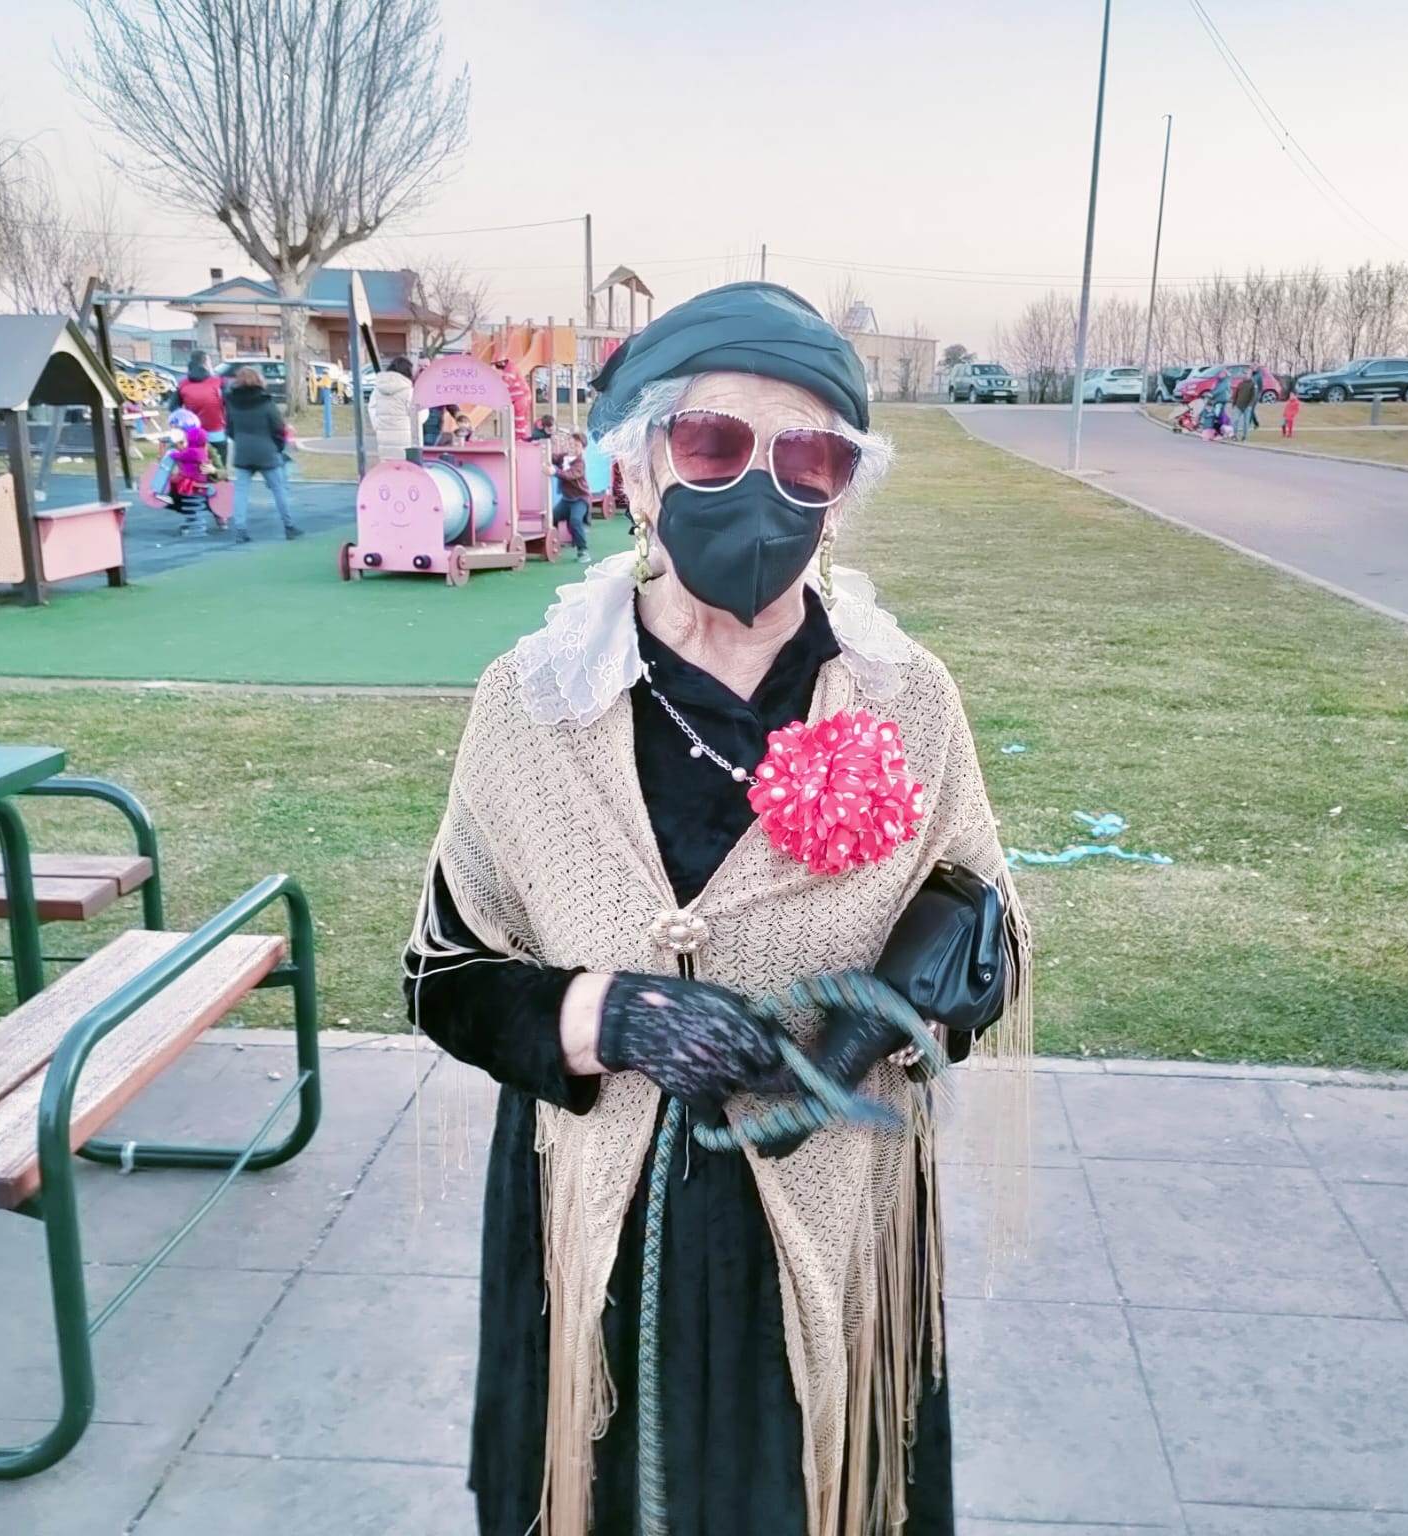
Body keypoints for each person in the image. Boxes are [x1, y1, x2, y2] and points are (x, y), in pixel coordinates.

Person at [405, 281, 1030, 1536]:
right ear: (635, 472)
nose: (760, 486)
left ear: (841, 493)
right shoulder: (534, 699)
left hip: (833, 1191)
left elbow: (983, 924)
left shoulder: (904, 696)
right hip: (603, 1206)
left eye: (808, 456)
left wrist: (858, 1033)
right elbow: (444, 970)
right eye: (711, 444)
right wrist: (605, 1015)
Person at [224, 365, 302, 542]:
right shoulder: (266, 402)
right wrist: (278, 447)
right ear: (259, 381)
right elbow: (278, 428)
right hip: (267, 451)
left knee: (241, 492)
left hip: (243, 451)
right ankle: (289, 526)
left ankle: (240, 530)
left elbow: (229, 429)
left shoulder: (232, 403)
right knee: (278, 489)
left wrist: (241, 441)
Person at [169, 351, 230, 469]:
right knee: (219, 467)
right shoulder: (218, 381)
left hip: (193, 432)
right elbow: (228, 403)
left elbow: (173, 407)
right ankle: (218, 484)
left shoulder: (183, 384)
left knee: (195, 466)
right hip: (217, 429)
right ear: (206, 363)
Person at [166, 410, 214, 536]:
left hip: (195, 482)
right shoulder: (196, 449)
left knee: (192, 500)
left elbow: (181, 456)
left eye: (177, 428)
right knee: (186, 499)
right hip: (192, 479)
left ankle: (198, 524)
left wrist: (213, 470)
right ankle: (191, 520)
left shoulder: (194, 451)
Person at [367, 355, 423, 459]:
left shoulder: (377, 391)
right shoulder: (409, 392)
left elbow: (372, 410)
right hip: (406, 440)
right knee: (406, 471)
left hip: (383, 439)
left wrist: (378, 427)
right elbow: (419, 416)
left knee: (388, 469)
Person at [550, 430, 591, 561]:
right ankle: (554, 541)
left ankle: (583, 550)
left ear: (583, 449)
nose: (572, 448)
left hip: (580, 498)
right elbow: (553, 458)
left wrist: (554, 471)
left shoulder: (580, 463)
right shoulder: (564, 457)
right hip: (567, 499)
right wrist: (543, 448)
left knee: (575, 520)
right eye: (571, 444)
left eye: (576, 446)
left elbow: (570, 475)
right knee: (551, 517)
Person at [497, 354, 531, 438]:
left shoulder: (510, 369)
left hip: (520, 397)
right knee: (521, 418)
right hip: (519, 397)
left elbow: (506, 383)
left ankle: (521, 436)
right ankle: (521, 435)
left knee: (519, 418)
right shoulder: (508, 369)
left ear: (501, 362)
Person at [1230, 369, 1257, 441]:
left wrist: (1249, 405)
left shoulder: (1253, 384)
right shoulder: (1240, 384)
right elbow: (1236, 394)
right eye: (1244, 374)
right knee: (1235, 420)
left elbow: (1253, 396)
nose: (1245, 375)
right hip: (1238, 405)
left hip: (1247, 406)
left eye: (1247, 374)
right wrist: (1234, 403)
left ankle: (1244, 436)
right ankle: (1234, 435)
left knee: (1246, 422)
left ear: (1250, 375)